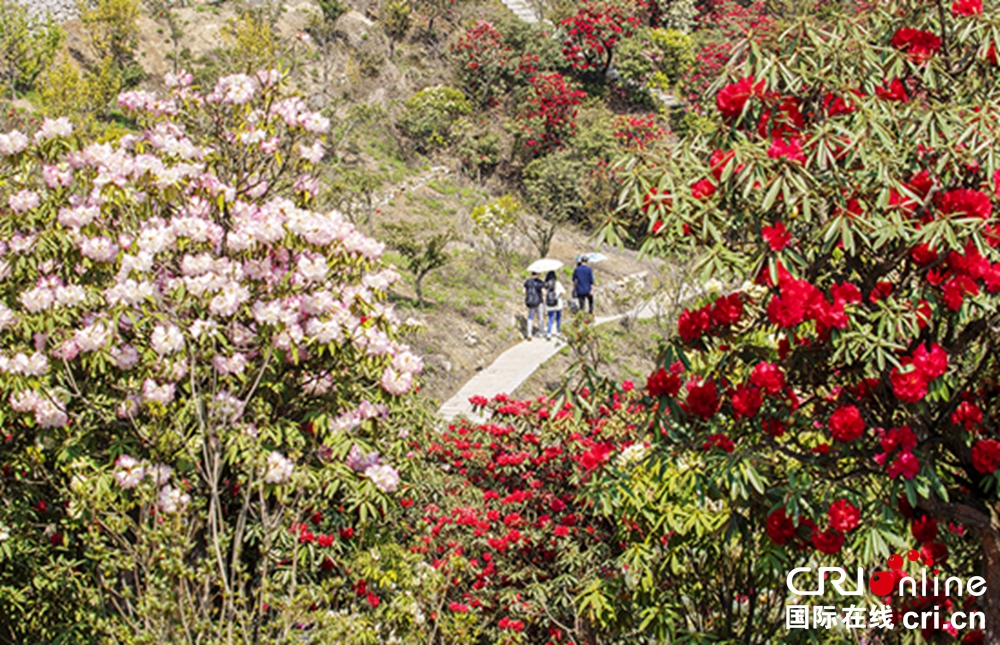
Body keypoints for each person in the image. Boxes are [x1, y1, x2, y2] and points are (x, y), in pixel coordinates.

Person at [543, 270, 565, 340]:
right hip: (558, 303)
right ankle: (558, 332)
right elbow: (563, 291)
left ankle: (549, 333)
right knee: (558, 318)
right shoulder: (557, 283)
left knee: (551, 318)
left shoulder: (545, 284)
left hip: (549, 304)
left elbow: (544, 293)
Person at [523, 272, 545, 341]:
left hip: (530, 302)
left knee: (530, 317)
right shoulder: (540, 282)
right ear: (538, 274)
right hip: (539, 302)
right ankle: (541, 332)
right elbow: (544, 292)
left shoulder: (527, 282)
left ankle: (529, 333)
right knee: (540, 317)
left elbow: (523, 292)